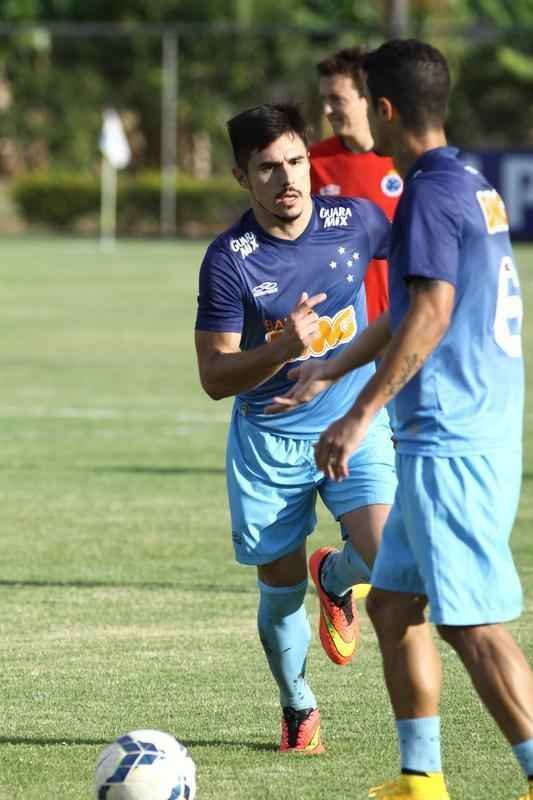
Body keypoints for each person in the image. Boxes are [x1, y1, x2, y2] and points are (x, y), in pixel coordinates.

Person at [268, 40, 533, 799]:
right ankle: (420, 779)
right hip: (455, 431)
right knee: (391, 603)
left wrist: (358, 415)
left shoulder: (426, 192)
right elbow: (409, 306)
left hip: (452, 437)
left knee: (472, 624)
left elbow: (431, 312)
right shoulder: (467, 182)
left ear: (383, 109)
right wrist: (332, 364)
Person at [194, 103, 397, 754]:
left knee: (387, 556)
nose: (286, 178)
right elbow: (214, 376)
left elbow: (421, 269)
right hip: (268, 441)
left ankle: (335, 576)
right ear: (241, 176)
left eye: (295, 161)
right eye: (267, 168)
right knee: (279, 592)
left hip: (351, 422)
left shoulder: (355, 221)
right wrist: (280, 349)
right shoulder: (229, 260)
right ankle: (297, 702)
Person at [310, 46, 403, 323]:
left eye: (336, 100)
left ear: (366, 99)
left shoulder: (405, 158)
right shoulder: (310, 163)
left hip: (400, 323)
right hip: (340, 328)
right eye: (324, 99)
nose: (327, 110)